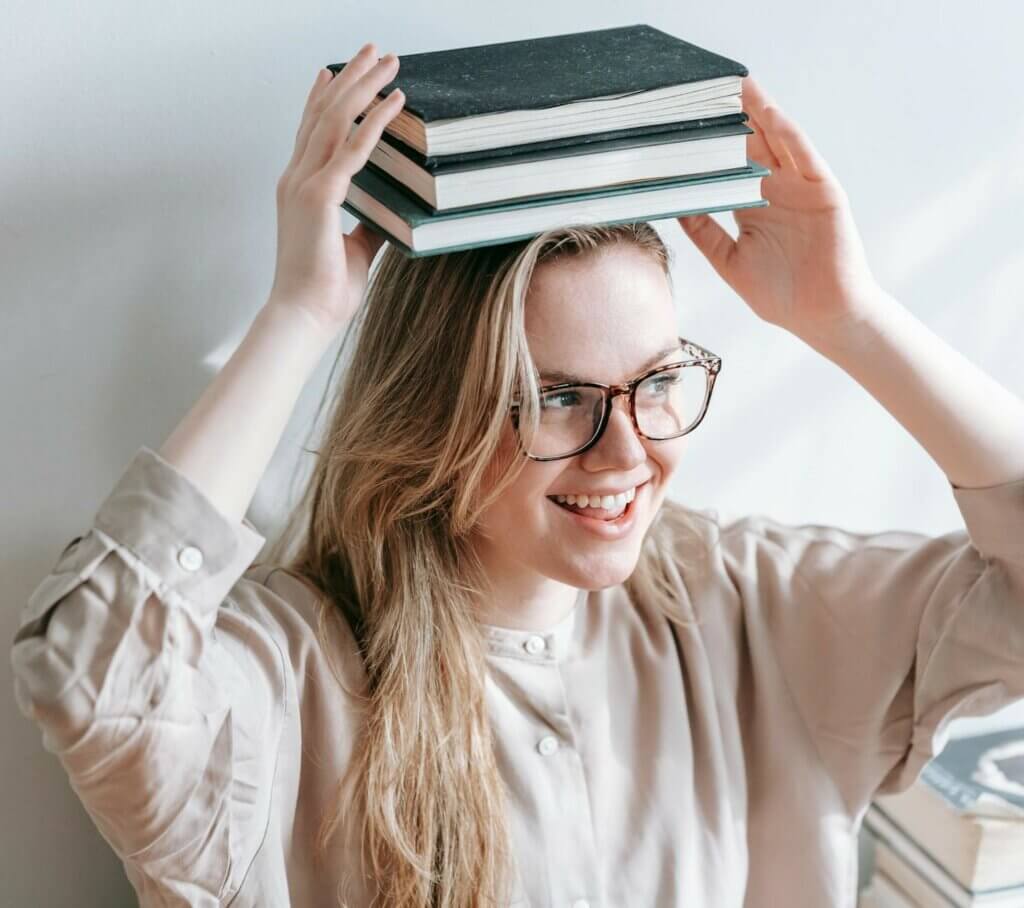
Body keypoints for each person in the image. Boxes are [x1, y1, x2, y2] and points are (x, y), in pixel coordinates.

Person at [10, 39, 1024, 908]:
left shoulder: (743, 603)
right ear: (435, 415)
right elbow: (86, 671)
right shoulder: (296, 675)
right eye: (556, 398)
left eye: (657, 381)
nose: (626, 452)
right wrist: (298, 317)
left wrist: (852, 320)